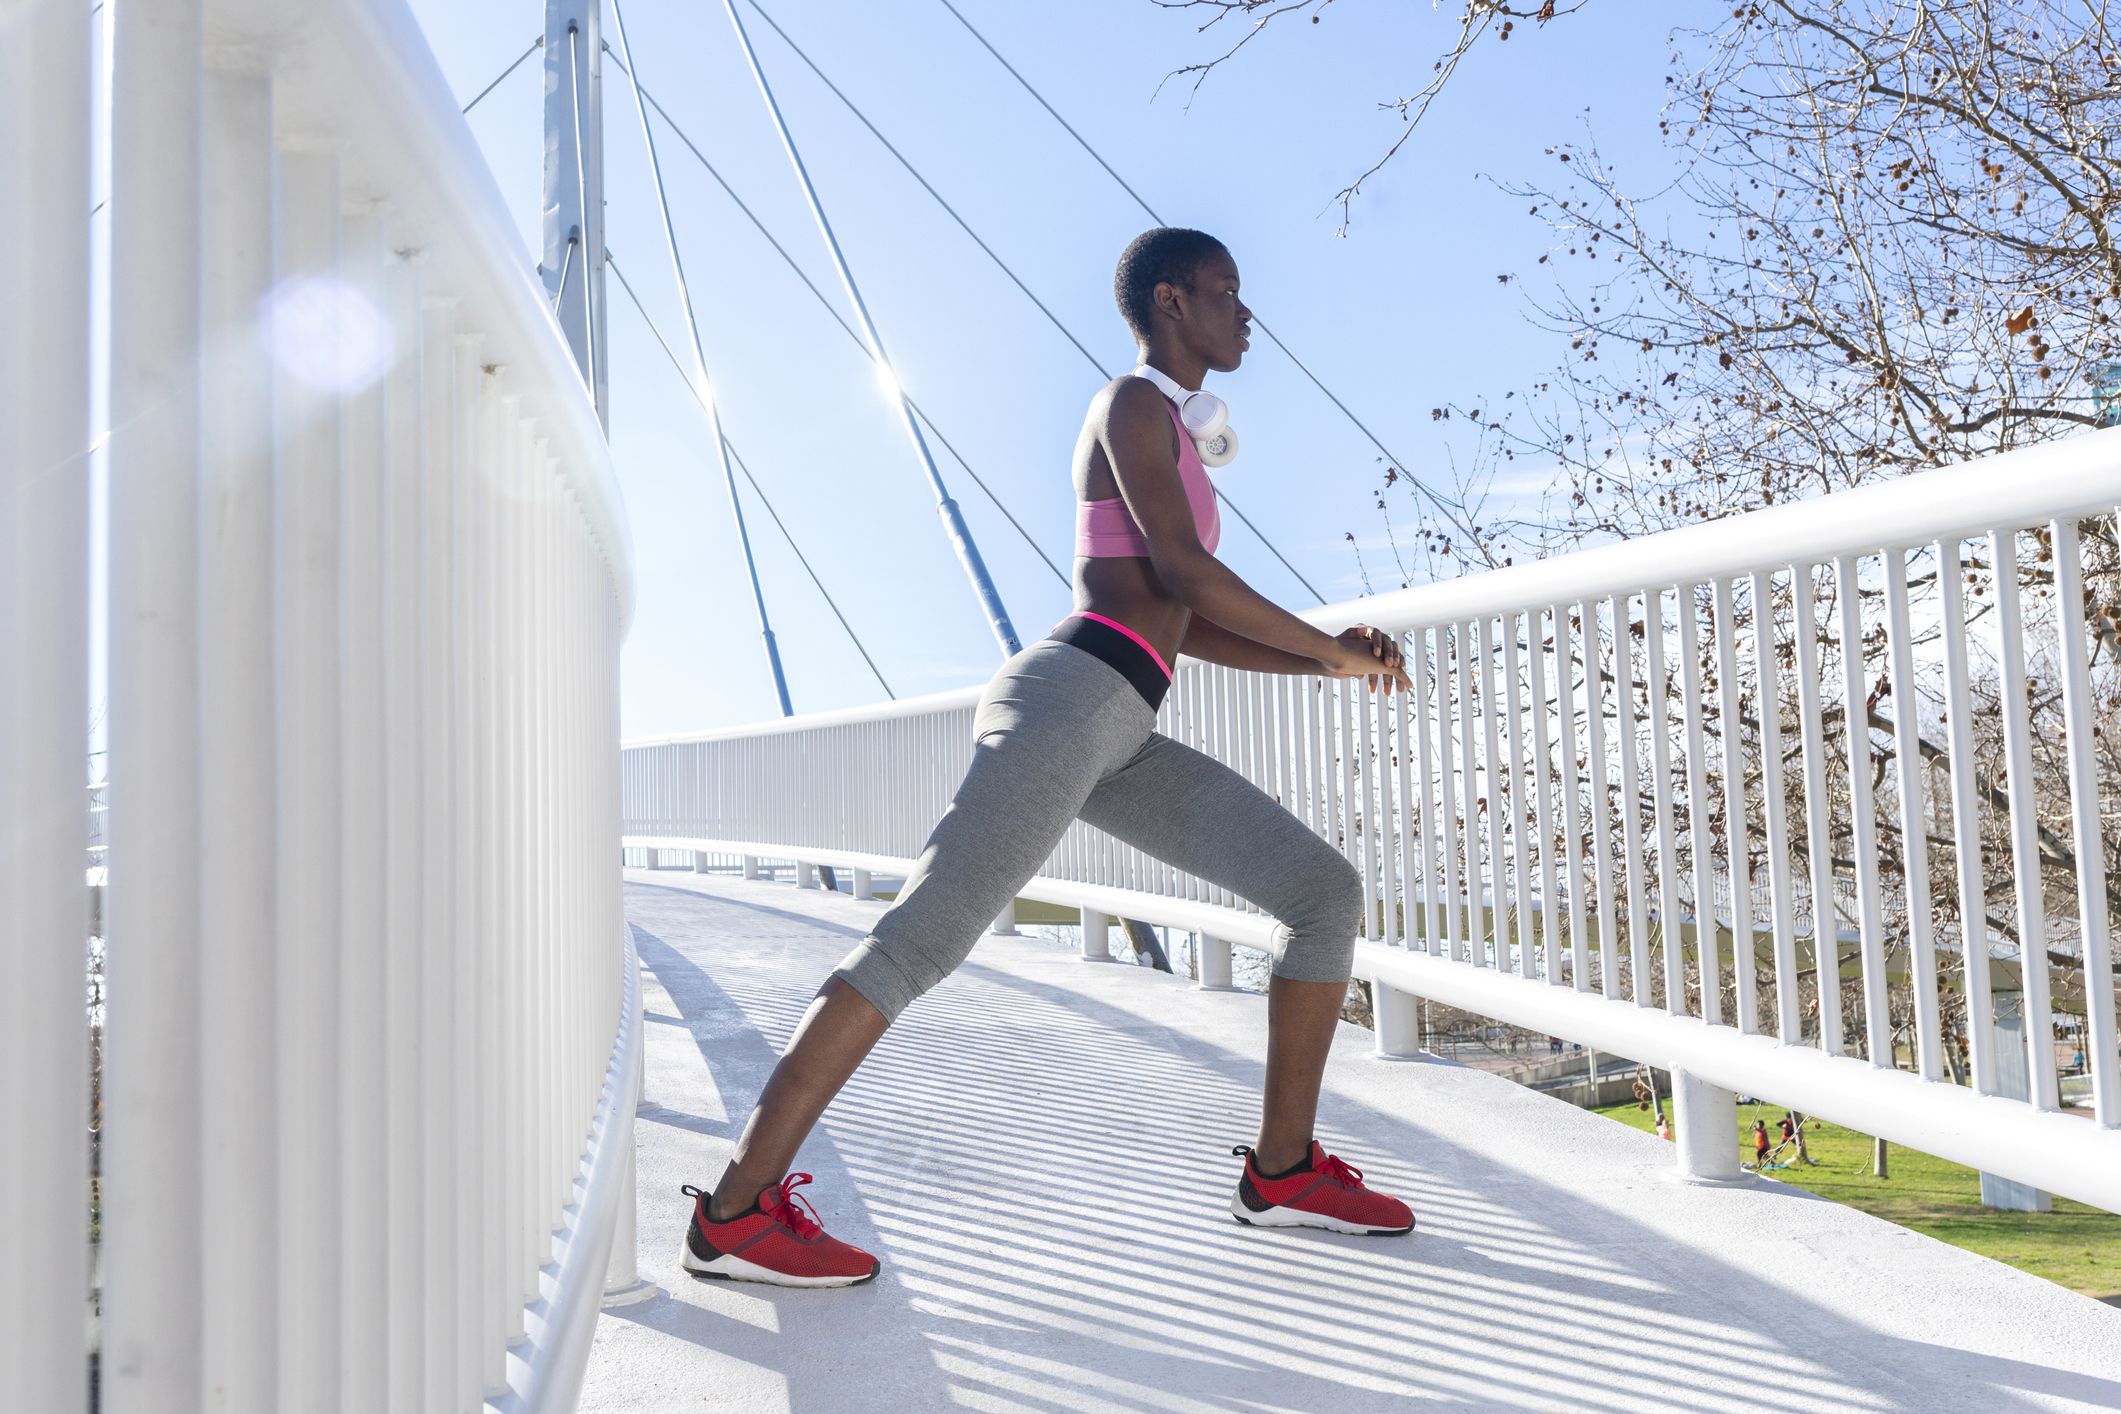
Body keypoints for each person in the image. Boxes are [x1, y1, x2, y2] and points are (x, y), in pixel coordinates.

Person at [676, 228, 1420, 1287]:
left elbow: (1187, 618)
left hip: (1123, 723)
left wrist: (1329, 667)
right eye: (1227, 292)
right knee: (916, 944)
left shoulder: (1165, 425)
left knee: (1320, 892)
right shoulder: (1130, 406)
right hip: (1072, 701)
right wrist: (1328, 643)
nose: (1247, 313)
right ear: (1172, 302)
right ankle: (738, 1209)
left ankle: (1284, 1169)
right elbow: (1184, 571)